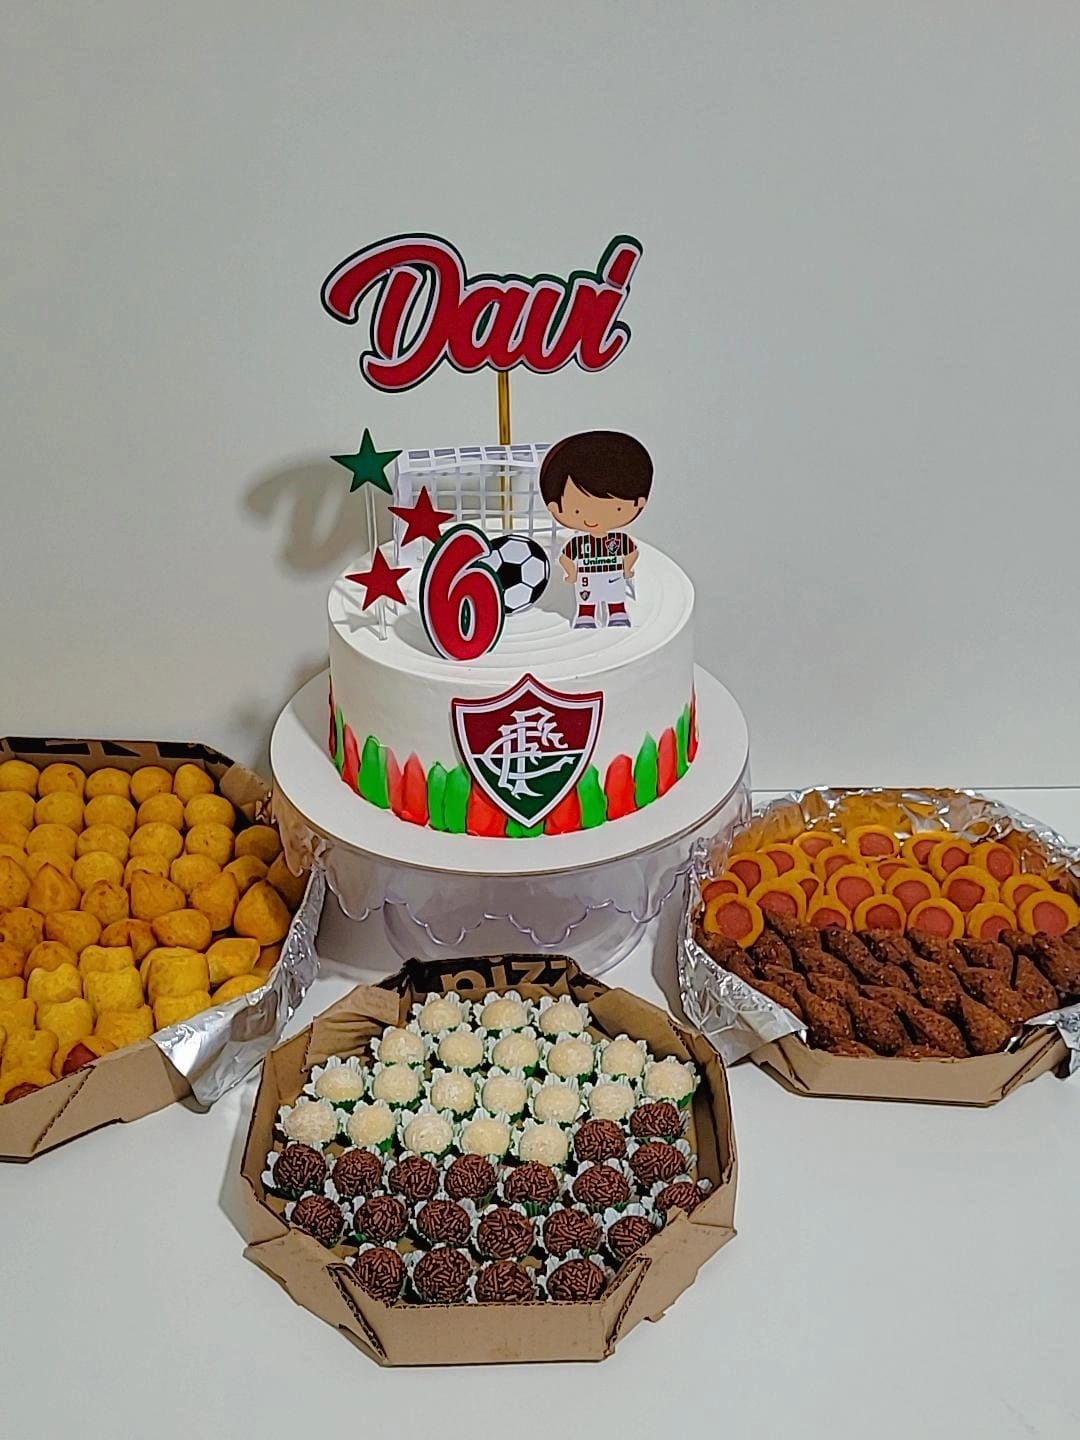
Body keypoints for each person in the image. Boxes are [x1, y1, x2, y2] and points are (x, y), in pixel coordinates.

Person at [538, 431, 653, 629]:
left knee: (615, 596)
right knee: (587, 599)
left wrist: (627, 568)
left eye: (616, 509)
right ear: (554, 507)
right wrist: (572, 573)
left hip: (613, 575)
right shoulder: (578, 543)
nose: (592, 518)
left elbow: (632, 552)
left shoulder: (620, 541)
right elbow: (566, 558)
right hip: (586, 578)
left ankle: (617, 613)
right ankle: (586, 616)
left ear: (639, 503)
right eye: (577, 510)